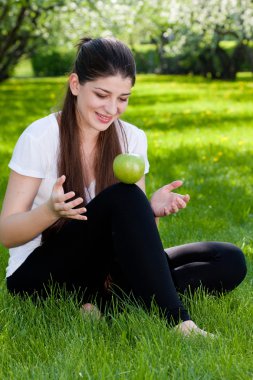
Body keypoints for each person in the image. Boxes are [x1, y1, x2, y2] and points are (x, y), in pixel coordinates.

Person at [0, 37, 247, 337]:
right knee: (124, 196)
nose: (112, 108)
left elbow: (137, 245)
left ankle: (100, 302)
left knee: (229, 260)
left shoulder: (131, 138)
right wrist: (51, 211)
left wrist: (149, 210)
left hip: (105, 270)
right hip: (41, 272)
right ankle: (180, 323)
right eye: (102, 95)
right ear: (76, 84)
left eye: (123, 98)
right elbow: (7, 234)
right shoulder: (40, 137)